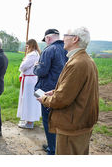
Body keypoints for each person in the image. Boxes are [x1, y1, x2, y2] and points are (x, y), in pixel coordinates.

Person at [37, 27, 99, 155]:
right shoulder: (85, 60)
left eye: (65, 35)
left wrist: (44, 99)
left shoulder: (77, 63)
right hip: (81, 121)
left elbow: (61, 100)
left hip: (72, 125)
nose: (63, 39)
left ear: (75, 39)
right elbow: (78, 89)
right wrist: (56, 91)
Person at [33, 28, 68, 155]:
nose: (46, 42)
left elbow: (41, 71)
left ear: (48, 38)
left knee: (48, 120)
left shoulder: (49, 50)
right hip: (62, 89)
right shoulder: (67, 49)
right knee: (59, 120)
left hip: (46, 90)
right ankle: (56, 145)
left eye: (46, 40)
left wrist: (35, 67)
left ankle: (52, 149)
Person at [17, 39, 41, 129]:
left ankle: (29, 122)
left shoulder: (32, 55)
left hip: (30, 81)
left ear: (31, 45)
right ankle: (29, 120)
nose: (26, 48)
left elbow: (22, 67)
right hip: (32, 79)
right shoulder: (37, 54)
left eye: (27, 46)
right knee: (32, 100)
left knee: (29, 100)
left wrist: (23, 63)